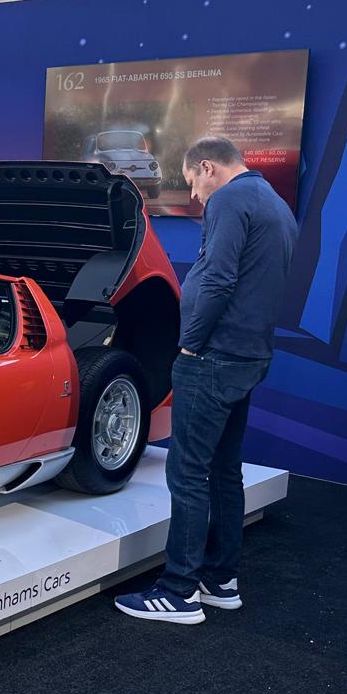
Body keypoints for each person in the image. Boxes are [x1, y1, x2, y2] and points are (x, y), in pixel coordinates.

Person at [115, 136, 297, 624]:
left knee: (188, 473)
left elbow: (217, 277)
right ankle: (220, 580)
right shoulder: (273, 202)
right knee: (223, 470)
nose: (194, 195)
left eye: (193, 181)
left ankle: (178, 591)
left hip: (212, 357)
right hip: (246, 354)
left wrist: (190, 343)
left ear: (208, 167)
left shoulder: (231, 199)